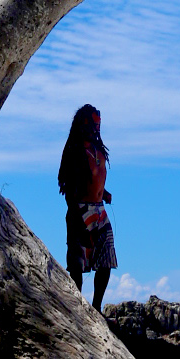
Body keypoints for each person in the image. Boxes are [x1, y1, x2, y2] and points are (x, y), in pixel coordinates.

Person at [58, 104, 117, 310]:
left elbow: (93, 178)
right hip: (79, 210)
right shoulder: (75, 150)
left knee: (106, 259)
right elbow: (69, 185)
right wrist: (77, 218)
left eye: (99, 124)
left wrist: (104, 192)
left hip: (99, 211)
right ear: (84, 123)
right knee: (77, 263)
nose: (97, 128)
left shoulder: (98, 149)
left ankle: (96, 307)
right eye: (94, 124)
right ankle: (77, 308)